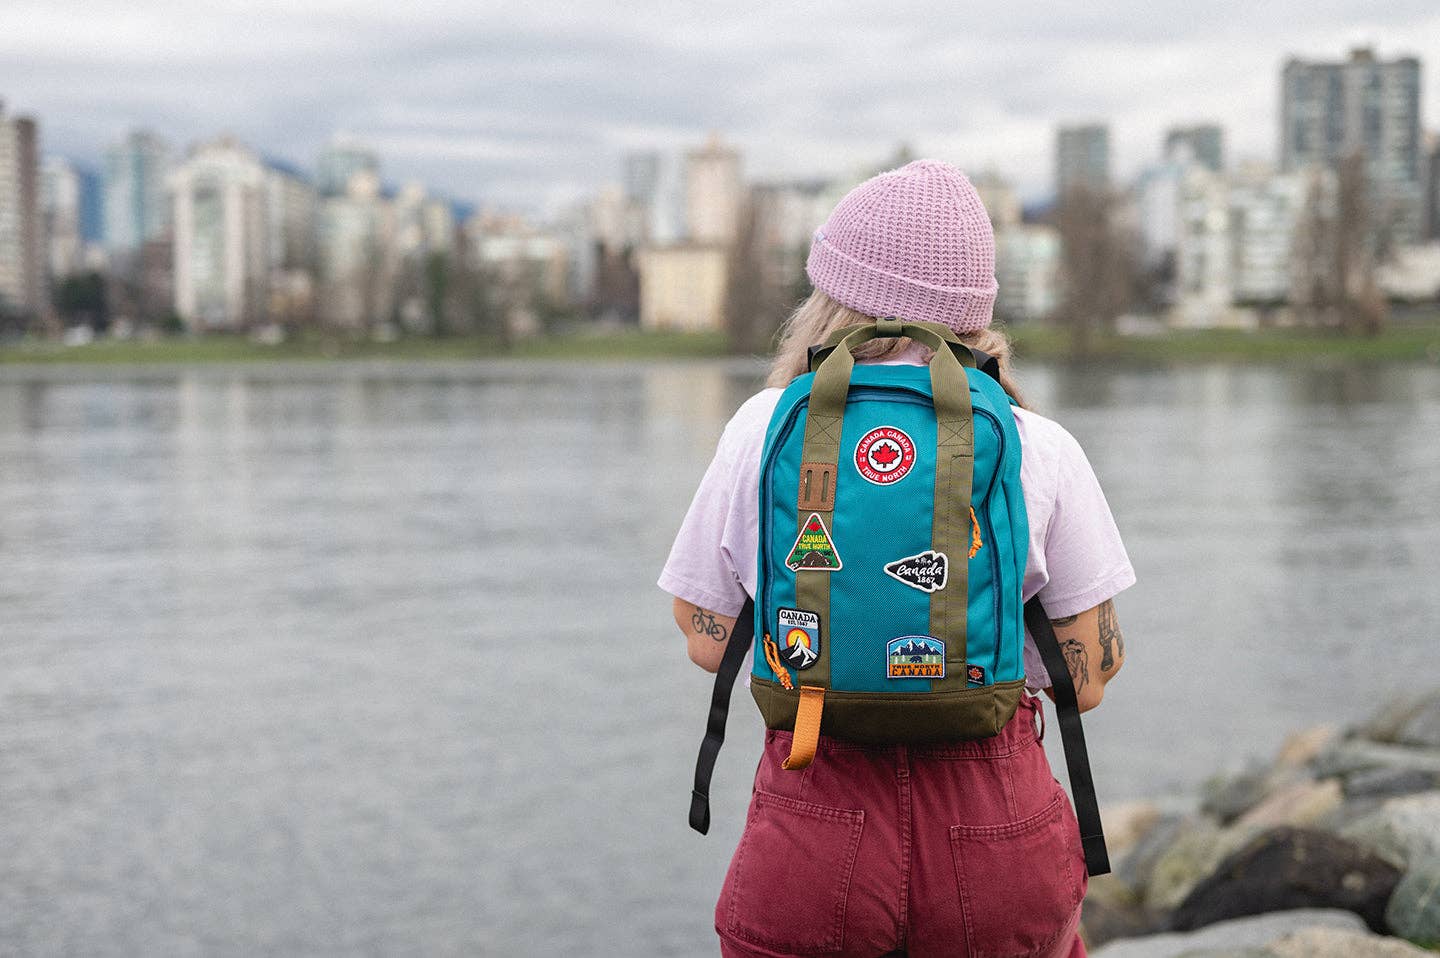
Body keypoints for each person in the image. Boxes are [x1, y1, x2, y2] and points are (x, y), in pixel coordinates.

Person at [659, 160, 1135, 958]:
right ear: (976, 315)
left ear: (828, 301)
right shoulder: (1034, 444)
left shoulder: (763, 427)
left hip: (813, 819)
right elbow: (1085, 680)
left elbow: (710, 639)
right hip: (997, 831)